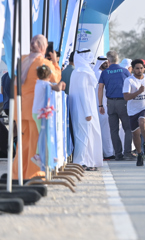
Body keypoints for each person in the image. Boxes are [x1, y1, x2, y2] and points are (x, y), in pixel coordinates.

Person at [13, 35, 62, 179]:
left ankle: (17, 174)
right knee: (35, 143)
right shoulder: (42, 62)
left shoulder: (22, 59)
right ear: (43, 46)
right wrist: (55, 62)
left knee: (23, 143)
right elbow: (55, 78)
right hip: (35, 108)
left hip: (20, 108)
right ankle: (33, 174)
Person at [70, 49, 103, 171]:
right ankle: (80, 162)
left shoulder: (79, 71)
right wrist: (88, 112)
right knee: (83, 137)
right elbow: (84, 93)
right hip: (84, 111)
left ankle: (87, 162)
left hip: (82, 110)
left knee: (85, 136)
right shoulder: (82, 72)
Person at [98, 51, 133, 161]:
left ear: (108, 61)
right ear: (118, 59)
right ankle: (127, 152)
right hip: (123, 102)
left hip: (110, 103)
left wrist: (100, 105)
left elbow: (100, 88)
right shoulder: (125, 71)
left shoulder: (104, 73)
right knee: (128, 128)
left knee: (114, 130)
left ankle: (118, 154)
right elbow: (133, 84)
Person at [30, 65, 66, 167]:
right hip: (41, 113)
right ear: (49, 75)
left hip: (38, 112)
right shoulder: (44, 84)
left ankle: (45, 155)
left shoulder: (39, 83)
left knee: (43, 134)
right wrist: (61, 83)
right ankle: (39, 155)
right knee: (45, 134)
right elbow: (58, 88)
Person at [94, 56, 114, 160]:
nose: (106, 64)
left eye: (107, 62)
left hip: (105, 104)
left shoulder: (104, 74)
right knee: (105, 129)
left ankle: (108, 151)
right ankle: (108, 153)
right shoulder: (98, 74)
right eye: (104, 63)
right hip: (101, 106)